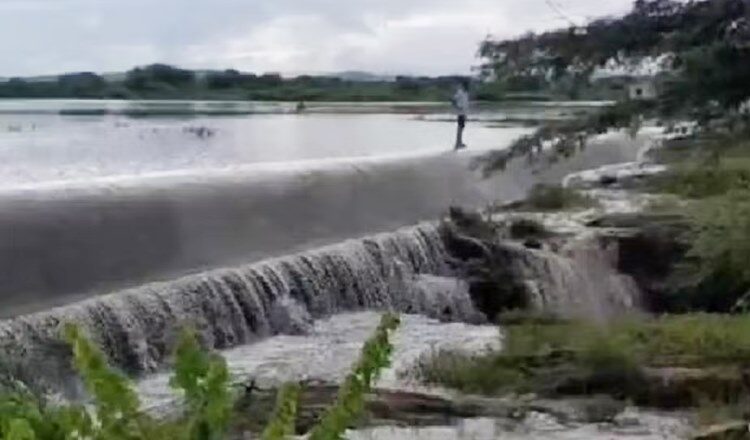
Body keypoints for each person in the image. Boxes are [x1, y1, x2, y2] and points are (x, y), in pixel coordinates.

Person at [451, 80, 470, 150]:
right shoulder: (460, 92)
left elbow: (466, 103)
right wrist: (457, 107)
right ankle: (457, 143)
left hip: (464, 113)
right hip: (460, 112)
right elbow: (453, 100)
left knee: (461, 127)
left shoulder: (466, 93)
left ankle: (460, 142)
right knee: (460, 127)